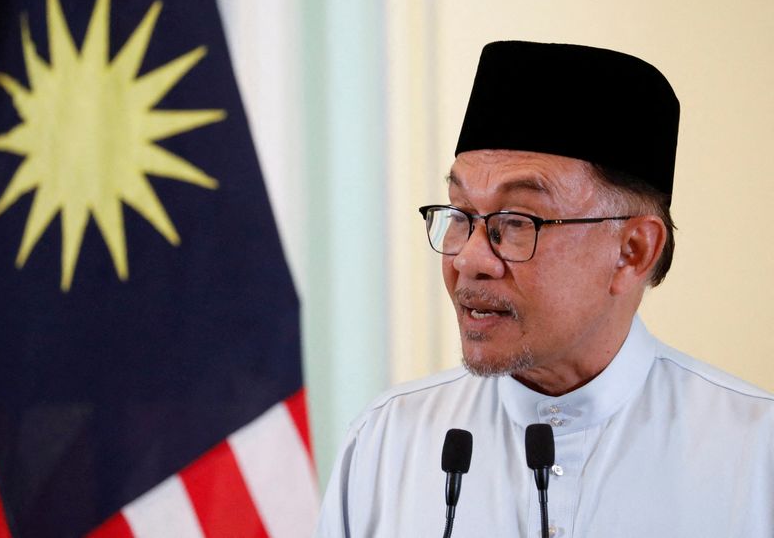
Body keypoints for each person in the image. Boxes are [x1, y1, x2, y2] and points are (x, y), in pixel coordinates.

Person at [313, 41, 774, 537]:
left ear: (633, 251)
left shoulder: (755, 454)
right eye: (460, 215)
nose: (468, 258)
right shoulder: (387, 445)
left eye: (515, 221)